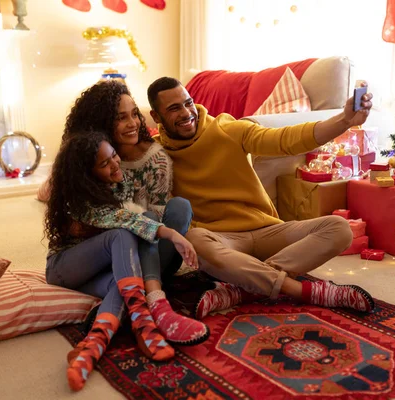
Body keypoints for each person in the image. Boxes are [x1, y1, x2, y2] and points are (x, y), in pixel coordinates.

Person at [147, 77, 376, 317]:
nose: (186, 113)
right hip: (221, 242)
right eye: (174, 108)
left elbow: (285, 140)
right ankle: (301, 290)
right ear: (156, 116)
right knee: (194, 239)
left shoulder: (227, 129)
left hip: (266, 232)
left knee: (339, 228)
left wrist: (344, 120)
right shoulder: (156, 154)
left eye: (188, 103)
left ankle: (244, 289)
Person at [40, 81, 209, 345]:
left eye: (134, 114)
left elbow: (146, 219)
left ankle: (117, 324)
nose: (132, 123)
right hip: (94, 254)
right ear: (101, 123)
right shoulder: (81, 168)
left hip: (136, 251)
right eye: (121, 118)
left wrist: (166, 231)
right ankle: (150, 304)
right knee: (127, 234)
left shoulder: (148, 159)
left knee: (176, 209)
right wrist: (169, 233)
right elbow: (116, 221)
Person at [44, 132, 208, 391]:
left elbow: (141, 214)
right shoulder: (77, 201)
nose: (115, 164)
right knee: (122, 233)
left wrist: (161, 222)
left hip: (103, 269)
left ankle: (93, 345)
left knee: (121, 282)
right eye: (105, 163)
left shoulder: (118, 183)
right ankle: (143, 321)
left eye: (114, 156)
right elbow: (125, 220)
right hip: (65, 267)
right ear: (87, 174)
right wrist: (173, 234)